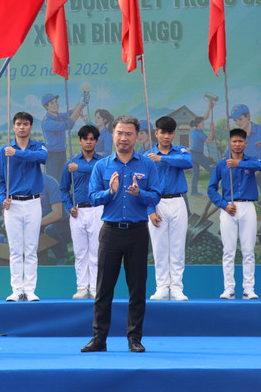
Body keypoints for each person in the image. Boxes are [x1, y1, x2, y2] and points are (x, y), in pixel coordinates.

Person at [81, 115, 160, 354]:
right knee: (103, 288)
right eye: (119, 133)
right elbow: (93, 197)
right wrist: (110, 191)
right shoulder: (102, 166)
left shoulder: (147, 165)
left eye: (128, 134)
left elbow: (156, 196)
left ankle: (134, 338)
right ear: (113, 135)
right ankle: (99, 339)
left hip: (137, 232)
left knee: (137, 289)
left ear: (137, 136)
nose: (123, 138)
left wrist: (140, 194)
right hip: (110, 233)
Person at [0, 111, 48, 302]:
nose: (22, 127)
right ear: (13, 127)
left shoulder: (38, 146)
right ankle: (17, 290)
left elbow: (41, 158)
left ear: (31, 127)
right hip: (13, 204)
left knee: (31, 248)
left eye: (26, 124)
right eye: (18, 124)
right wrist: (2, 198)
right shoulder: (4, 150)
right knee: (15, 249)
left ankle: (30, 290)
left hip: (33, 202)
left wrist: (18, 153)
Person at [207, 128, 261, 300]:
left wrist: (239, 164)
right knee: (229, 250)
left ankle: (249, 288)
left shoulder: (252, 161)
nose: (237, 144)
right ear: (230, 143)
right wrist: (223, 205)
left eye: (241, 141)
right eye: (234, 141)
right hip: (228, 209)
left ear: (246, 144)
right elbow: (211, 189)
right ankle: (229, 288)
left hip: (247, 207)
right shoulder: (222, 164)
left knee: (248, 250)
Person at [146, 116, 193, 301]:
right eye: (162, 132)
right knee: (159, 248)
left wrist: (162, 159)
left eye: (170, 132)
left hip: (177, 201)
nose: (166, 136)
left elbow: (187, 162)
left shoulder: (180, 151)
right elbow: (144, 185)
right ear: (156, 133)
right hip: (157, 202)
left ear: (174, 134)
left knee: (177, 247)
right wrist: (150, 209)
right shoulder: (147, 156)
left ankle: (177, 288)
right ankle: (161, 287)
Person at [59, 124, 103, 299]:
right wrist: (69, 207)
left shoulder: (102, 162)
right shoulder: (70, 164)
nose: (89, 142)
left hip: (97, 210)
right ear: (80, 141)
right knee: (80, 251)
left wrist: (80, 168)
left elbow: (101, 173)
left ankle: (94, 287)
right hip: (78, 211)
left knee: (95, 251)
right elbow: (63, 189)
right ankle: (82, 287)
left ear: (97, 141)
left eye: (92, 139)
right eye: (86, 139)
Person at [40, 93, 84, 182]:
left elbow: (71, 112)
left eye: (56, 102)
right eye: (51, 103)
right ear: (46, 107)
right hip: (53, 156)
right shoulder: (47, 122)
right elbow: (68, 124)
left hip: (62, 154)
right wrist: (81, 106)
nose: (55, 104)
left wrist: (81, 100)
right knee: (53, 181)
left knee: (63, 180)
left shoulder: (59, 116)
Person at [40, 173, 70, 264]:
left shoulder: (49, 182)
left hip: (60, 224)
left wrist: (34, 224)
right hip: (36, 225)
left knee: (51, 230)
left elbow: (57, 213)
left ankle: (63, 258)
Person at [189, 103, 216, 196]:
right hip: (197, 155)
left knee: (195, 174)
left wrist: (209, 107)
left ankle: (193, 191)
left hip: (192, 154)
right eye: (202, 123)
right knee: (212, 168)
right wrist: (212, 130)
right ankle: (214, 189)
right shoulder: (198, 133)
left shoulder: (195, 130)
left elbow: (205, 117)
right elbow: (208, 140)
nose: (204, 124)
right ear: (198, 124)